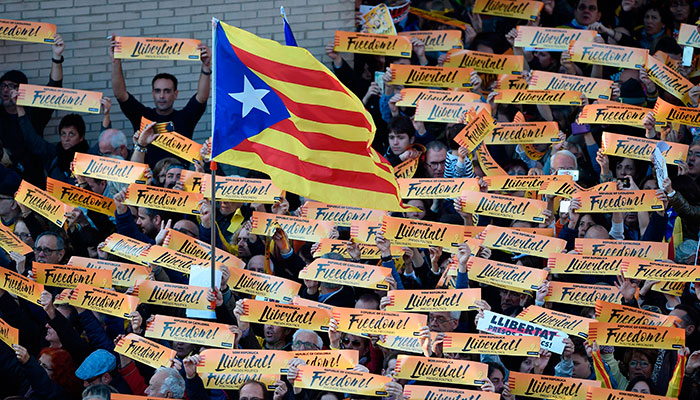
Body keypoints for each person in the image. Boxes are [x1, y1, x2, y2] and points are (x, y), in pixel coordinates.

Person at [109, 36, 211, 168]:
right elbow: (120, 94)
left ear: (176, 94)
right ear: (152, 93)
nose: (162, 96)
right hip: (147, 181)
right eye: (158, 91)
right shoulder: (143, 116)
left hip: (178, 182)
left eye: (167, 91)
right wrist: (116, 62)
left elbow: (202, 97)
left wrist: (206, 66)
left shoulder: (185, 118)